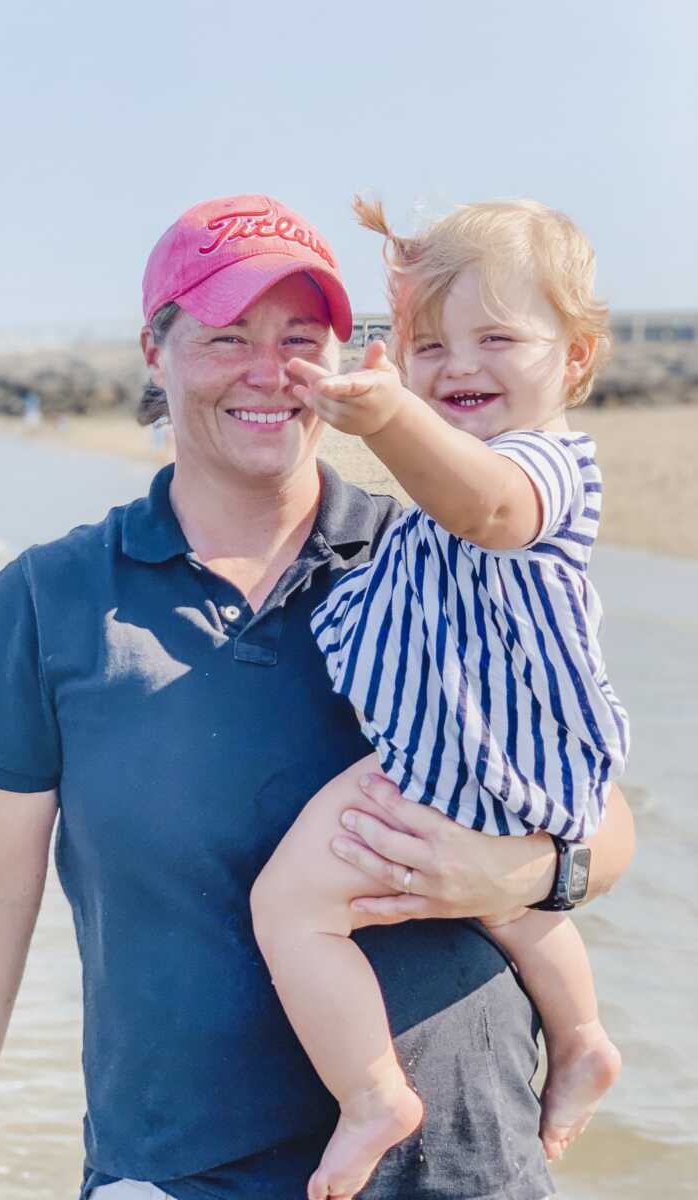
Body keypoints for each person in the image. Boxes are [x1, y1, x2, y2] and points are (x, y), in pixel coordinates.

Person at [0, 194, 635, 1200]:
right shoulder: (51, 599)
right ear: (154, 351)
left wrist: (507, 877)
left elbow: (596, 814)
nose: (269, 371)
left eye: (301, 338)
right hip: (177, 1171)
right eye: (226, 337)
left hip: (463, 1165)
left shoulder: (435, 549)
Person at [251, 197, 628, 1200]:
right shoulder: (447, 490)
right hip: (486, 753)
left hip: (473, 751)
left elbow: (490, 507)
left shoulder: (538, 469)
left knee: (289, 906)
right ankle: (583, 1037)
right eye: (428, 345)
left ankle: (374, 1092)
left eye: (497, 337)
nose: (458, 365)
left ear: (577, 357)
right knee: (502, 895)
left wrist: (393, 419)